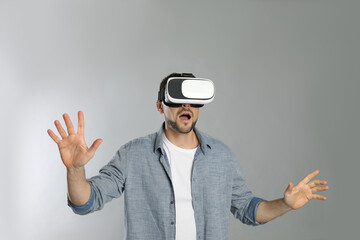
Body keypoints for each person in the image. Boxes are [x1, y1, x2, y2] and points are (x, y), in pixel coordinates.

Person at [47, 73, 329, 240]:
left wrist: (286, 204)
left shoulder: (221, 156)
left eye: (193, 99)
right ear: (160, 106)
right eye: (176, 98)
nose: (186, 106)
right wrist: (75, 170)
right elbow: (86, 202)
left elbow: (248, 210)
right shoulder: (133, 155)